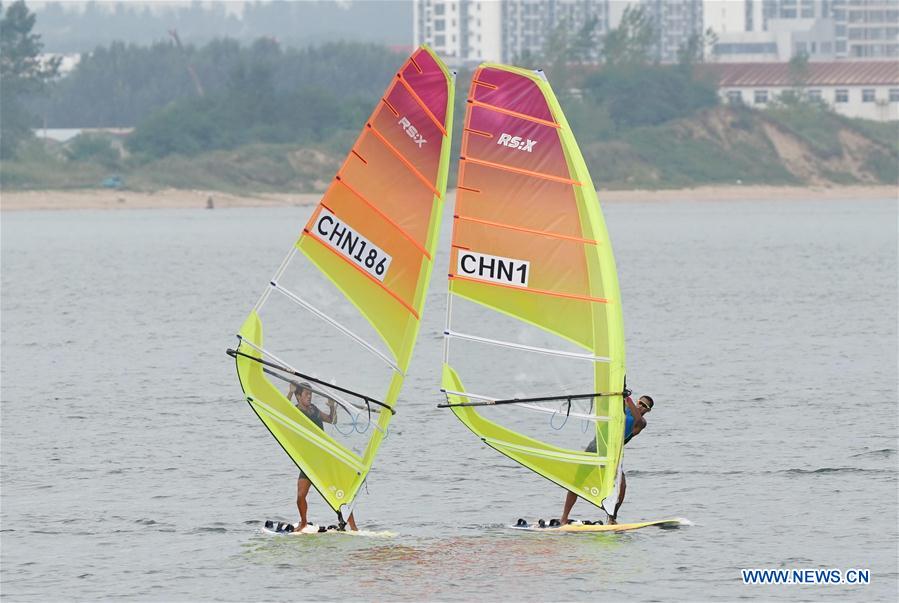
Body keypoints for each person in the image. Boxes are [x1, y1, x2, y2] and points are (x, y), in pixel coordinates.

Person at [560, 394, 654, 525]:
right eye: (640, 402)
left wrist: (627, 398)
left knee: (622, 486)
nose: (641, 406)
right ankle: (564, 518)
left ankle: (612, 518)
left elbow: (637, 418)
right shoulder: (623, 407)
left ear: (648, 411)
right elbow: (606, 404)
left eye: (645, 406)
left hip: (614, 453)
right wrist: (617, 395)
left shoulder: (641, 422)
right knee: (577, 481)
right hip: (597, 445)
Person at [288, 381, 357, 531]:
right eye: (306, 394)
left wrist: (332, 405)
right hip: (308, 461)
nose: (310, 397)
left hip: (323, 458)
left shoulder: (313, 410)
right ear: (298, 396)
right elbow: (280, 411)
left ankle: (353, 527)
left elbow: (332, 420)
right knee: (300, 495)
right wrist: (290, 391)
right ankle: (304, 522)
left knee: (339, 493)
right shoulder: (294, 412)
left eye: (311, 394)